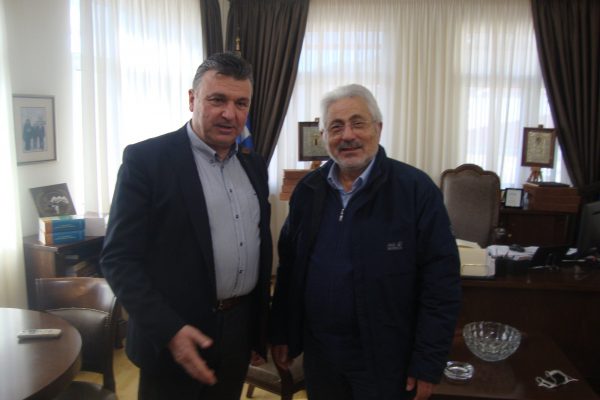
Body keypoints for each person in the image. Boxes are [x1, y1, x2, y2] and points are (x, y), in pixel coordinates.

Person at [269, 84, 461, 400]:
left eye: (358, 123)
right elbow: (290, 269)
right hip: (321, 355)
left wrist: (428, 362)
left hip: (387, 359)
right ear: (324, 137)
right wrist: (283, 332)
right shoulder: (308, 191)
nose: (348, 135)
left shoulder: (415, 191)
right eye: (336, 127)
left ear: (378, 129)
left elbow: (441, 285)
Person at [100, 52, 273, 400]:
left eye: (241, 103)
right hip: (174, 336)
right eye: (217, 100)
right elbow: (118, 259)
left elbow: (259, 246)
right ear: (192, 99)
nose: (230, 114)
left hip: (237, 332)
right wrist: (169, 331)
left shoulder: (253, 165)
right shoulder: (146, 161)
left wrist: (257, 330)